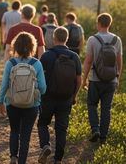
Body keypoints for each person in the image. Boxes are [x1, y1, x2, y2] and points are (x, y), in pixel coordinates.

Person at [0, 32, 46, 164]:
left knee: (14, 131)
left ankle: (13, 156)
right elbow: (43, 88)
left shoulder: (11, 63)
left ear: (16, 46)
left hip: (12, 104)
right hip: (32, 104)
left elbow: (4, 85)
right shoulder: (37, 64)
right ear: (33, 46)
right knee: (25, 136)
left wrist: (1, 101)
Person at [38, 27, 82, 164]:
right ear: (67, 38)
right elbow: (79, 80)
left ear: (54, 38)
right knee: (61, 129)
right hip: (66, 98)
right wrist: (74, 96)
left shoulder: (46, 55)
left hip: (48, 98)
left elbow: (39, 78)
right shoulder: (74, 56)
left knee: (43, 123)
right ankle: (58, 159)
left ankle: (45, 145)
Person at [82, 13, 123, 144]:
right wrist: (117, 77)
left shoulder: (93, 39)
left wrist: (84, 79)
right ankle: (103, 137)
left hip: (95, 79)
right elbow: (119, 61)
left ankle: (95, 129)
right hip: (111, 80)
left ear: (98, 23)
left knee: (92, 104)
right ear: (109, 24)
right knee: (106, 108)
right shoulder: (117, 40)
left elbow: (88, 61)